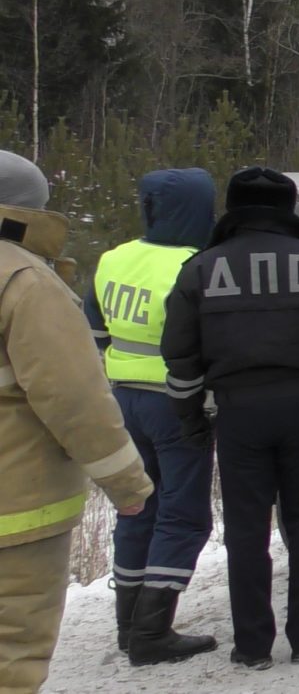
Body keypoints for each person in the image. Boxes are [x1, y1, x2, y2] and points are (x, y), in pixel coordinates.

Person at [160, 167, 299, 671]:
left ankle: (252, 646)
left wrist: (188, 411)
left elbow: (180, 351)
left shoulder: (202, 268)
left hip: (238, 413)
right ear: (289, 209)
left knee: (246, 531)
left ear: (233, 210)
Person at [0, 150, 155, 693]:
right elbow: (75, 400)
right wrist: (128, 485)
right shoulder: (25, 282)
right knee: (9, 656)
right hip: (15, 518)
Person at [84, 169, 217, 665]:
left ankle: (128, 625)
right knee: (183, 515)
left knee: (137, 507)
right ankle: (153, 632)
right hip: (176, 404)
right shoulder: (195, 264)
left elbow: (94, 333)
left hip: (124, 401)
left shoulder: (114, 257)